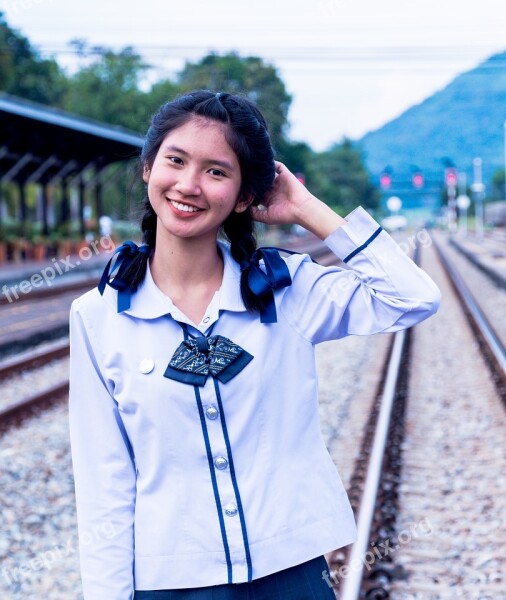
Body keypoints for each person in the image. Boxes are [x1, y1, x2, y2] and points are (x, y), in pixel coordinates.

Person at [68, 90, 441, 599]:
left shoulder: (288, 289)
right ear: (148, 168)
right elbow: (103, 484)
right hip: (173, 584)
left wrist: (305, 206)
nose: (189, 185)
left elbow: (413, 297)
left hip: (291, 575)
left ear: (245, 197)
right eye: (175, 161)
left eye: (216, 172)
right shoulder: (99, 317)